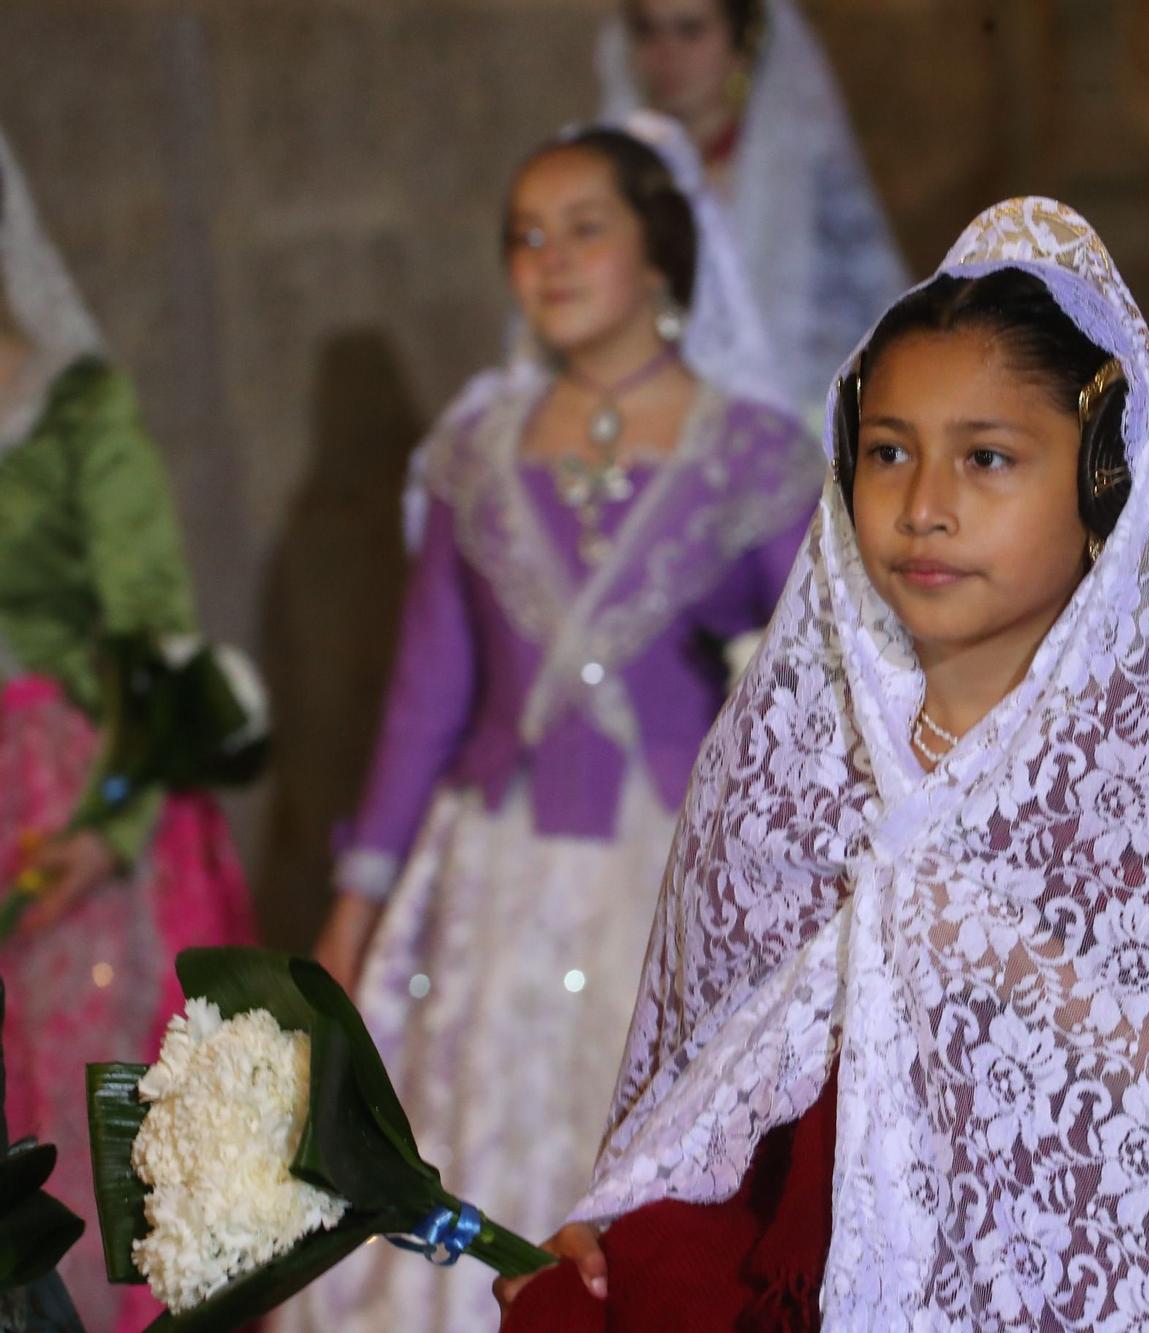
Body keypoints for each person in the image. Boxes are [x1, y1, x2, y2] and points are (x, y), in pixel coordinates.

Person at [495, 195, 1149, 1330]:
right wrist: (628, 1220)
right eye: (886, 453)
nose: (924, 509)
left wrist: (992, 956)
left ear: (1103, 482)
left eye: (986, 458)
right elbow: (720, 1091)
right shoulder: (792, 767)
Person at [283, 114, 820, 1332]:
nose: (552, 259)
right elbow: (425, 693)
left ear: (661, 256)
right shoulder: (474, 450)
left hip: (673, 885)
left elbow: (814, 680)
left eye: (586, 229)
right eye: (527, 237)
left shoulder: (753, 453)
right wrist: (357, 903)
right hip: (493, 872)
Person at [0, 123, 256, 1333]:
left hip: (70, 802)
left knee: (87, 1128)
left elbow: (152, 633)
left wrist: (114, 822)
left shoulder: (75, 412)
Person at [598, 0, 909, 416]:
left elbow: (877, 312)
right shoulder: (615, 174)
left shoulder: (800, 169)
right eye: (647, 32)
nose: (666, 54)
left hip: (798, 418)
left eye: (690, 31)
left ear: (742, 42)